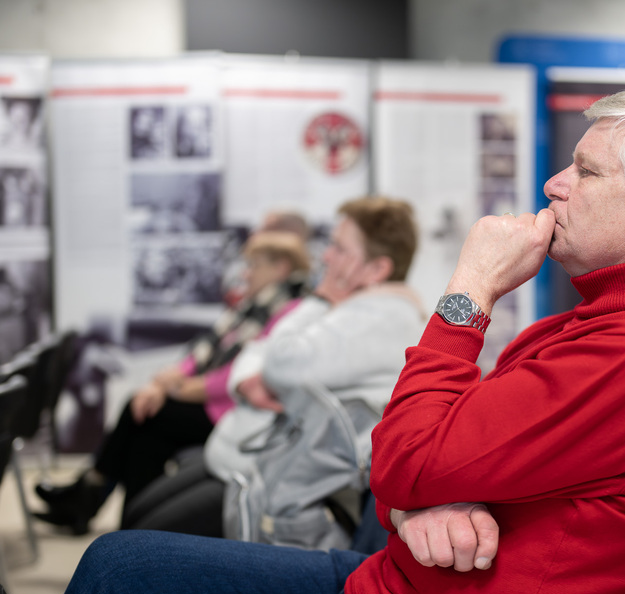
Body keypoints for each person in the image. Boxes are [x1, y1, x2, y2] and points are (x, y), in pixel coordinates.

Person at [28, 90, 625, 594]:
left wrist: (471, 285)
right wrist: (421, 504)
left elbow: (406, 457)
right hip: (402, 592)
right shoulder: (604, 325)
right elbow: (430, 448)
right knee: (117, 565)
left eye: (587, 172)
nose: (554, 184)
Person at [118, 196, 425, 541]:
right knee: (139, 517)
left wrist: (318, 301)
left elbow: (279, 363)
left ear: (377, 270)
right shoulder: (358, 308)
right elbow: (258, 353)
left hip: (276, 493)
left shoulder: (379, 320)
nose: (325, 256)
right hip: (255, 468)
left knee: (139, 536)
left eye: (339, 248)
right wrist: (253, 376)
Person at [33, 231, 311, 535]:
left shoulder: (289, 312)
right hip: (211, 401)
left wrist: (176, 388)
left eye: (254, 264)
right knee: (146, 428)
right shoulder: (254, 306)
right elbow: (206, 349)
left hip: (231, 413)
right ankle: (125, 522)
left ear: (281, 267)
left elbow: (241, 373)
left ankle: (95, 494)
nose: (246, 273)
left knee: (143, 414)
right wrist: (175, 376)